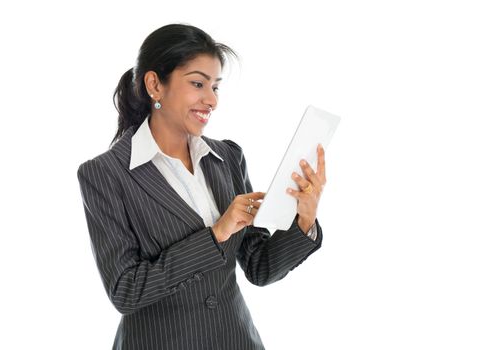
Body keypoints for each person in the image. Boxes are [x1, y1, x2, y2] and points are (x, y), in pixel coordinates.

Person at [77, 23, 327, 350]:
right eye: (198, 83)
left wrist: (304, 221)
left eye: (215, 87)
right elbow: (126, 290)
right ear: (154, 84)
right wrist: (216, 234)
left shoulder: (226, 157)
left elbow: (259, 267)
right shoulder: (105, 174)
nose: (211, 100)